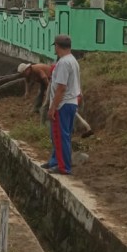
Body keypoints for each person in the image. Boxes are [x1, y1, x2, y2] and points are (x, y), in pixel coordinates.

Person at [44, 35, 81, 175]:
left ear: (58, 46)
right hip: (70, 102)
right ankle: (55, 161)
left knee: (60, 136)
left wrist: (53, 107)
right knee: (60, 135)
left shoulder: (64, 63)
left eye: (55, 46)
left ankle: (63, 166)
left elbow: (61, 88)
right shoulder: (72, 60)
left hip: (63, 104)